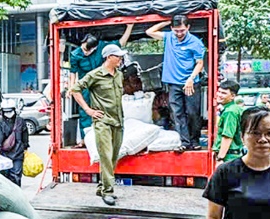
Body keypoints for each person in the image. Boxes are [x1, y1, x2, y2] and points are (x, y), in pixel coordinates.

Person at [69, 44, 126, 206]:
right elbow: (75, 89)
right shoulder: (95, 75)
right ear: (109, 57)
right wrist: (88, 110)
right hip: (103, 122)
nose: (120, 59)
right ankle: (108, 191)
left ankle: (102, 186)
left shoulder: (119, 75)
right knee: (106, 156)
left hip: (118, 121)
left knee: (114, 156)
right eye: (118, 56)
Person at [147, 15, 206, 150]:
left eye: (182, 30)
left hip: (190, 83)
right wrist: (166, 21)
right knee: (177, 113)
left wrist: (191, 79)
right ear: (172, 28)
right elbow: (149, 32)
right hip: (174, 83)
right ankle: (184, 142)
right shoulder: (169, 37)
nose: (179, 34)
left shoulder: (195, 43)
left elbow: (200, 64)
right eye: (176, 30)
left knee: (192, 113)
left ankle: (194, 141)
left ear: (188, 28)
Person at [69, 24, 133, 146]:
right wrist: (72, 88)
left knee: (106, 109)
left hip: (102, 82)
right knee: (85, 112)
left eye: (91, 51)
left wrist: (129, 27)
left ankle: (108, 138)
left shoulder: (103, 46)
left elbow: (120, 44)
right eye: (85, 50)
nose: (87, 53)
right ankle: (86, 140)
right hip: (86, 85)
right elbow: (73, 72)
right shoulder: (75, 54)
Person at [0, 98, 29, 186]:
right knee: (8, 177)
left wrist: (25, 148)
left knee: (15, 176)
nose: (8, 113)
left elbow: (25, 136)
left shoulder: (20, 121)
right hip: (6, 154)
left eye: (10, 111)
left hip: (16, 154)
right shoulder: (2, 122)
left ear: (14, 110)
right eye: (6, 111)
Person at [213, 79, 244, 163]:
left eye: (224, 93)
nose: (219, 95)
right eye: (219, 91)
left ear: (233, 96)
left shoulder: (230, 112)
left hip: (228, 157)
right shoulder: (235, 109)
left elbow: (227, 136)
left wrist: (220, 158)